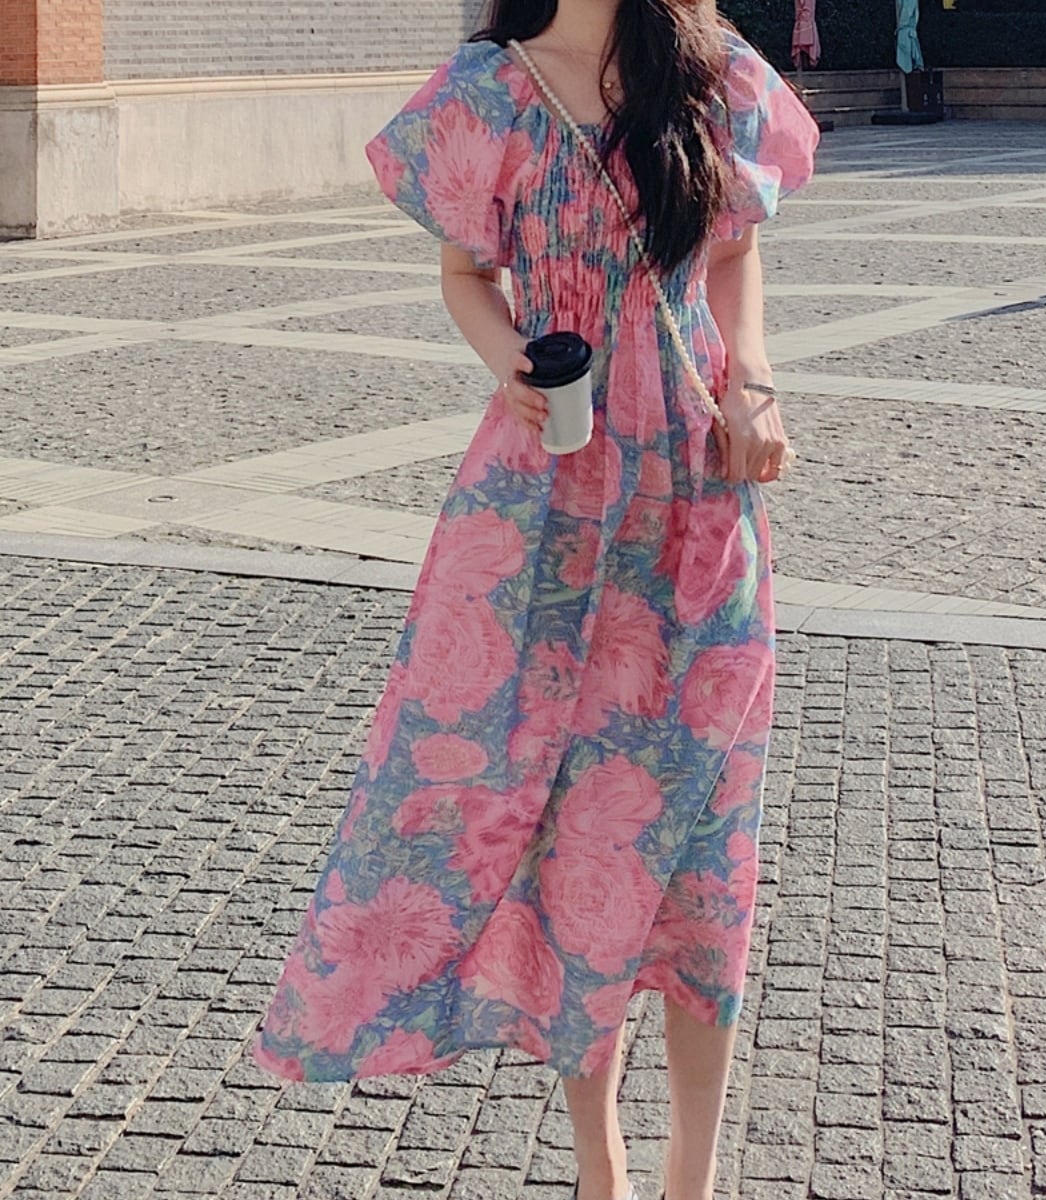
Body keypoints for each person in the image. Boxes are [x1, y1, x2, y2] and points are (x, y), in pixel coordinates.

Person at [252, 3, 818, 1199]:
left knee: (706, 849)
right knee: (577, 842)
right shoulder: (490, 91)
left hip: (698, 502)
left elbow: (732, 250)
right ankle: (599, 1163)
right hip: (548, 508)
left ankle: (694, 1174)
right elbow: (465, 274)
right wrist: (509, 358)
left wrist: (754, 378)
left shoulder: (715, 75)